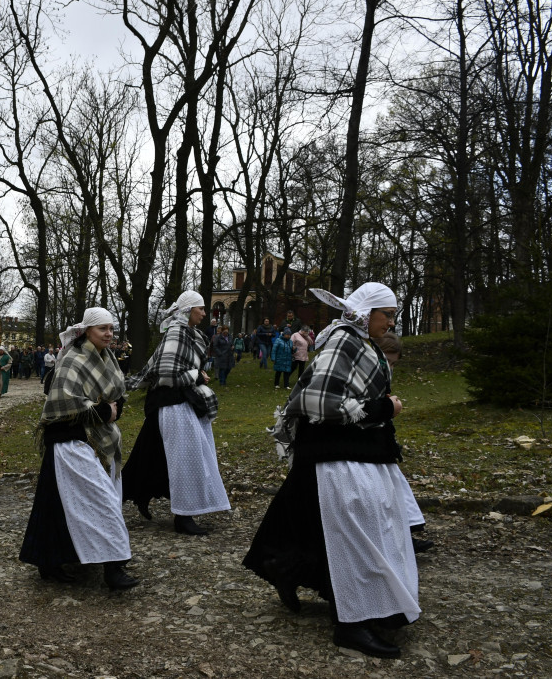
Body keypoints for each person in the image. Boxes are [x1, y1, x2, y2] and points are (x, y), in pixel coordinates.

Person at [243, 282, 419, 659]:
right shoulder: (345, 340)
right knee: (359, 538)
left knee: (326, 530)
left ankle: (289, 572)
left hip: (350, 452)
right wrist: (385, 409)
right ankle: (352, 623)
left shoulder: (359, 341)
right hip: (339, 456)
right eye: (386, 314)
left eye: (393, 315)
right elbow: (317, 399)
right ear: (367, 312)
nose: (391, 321)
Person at [20, 308, 138, 590]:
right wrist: (101, 410)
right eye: (102, 329)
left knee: (62, 505)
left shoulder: (107, 357)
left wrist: (113, 409)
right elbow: (63, 403)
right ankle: (113, 567)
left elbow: (116, 396)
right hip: (70, 441)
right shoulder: (73, 359)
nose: (109, 334)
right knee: (101, 501)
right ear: (87, 331)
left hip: (99, 439)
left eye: (111, 328)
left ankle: (54, 559)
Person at [122, 290, 232, 536]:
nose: (204, 313)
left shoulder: (190, 333)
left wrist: (195, 374)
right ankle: (183, 517)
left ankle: (138, 496)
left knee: (150, 455)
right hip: (172, 403)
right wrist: (197, 375)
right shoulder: (177, 332)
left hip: (179, 401)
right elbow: (168, 373)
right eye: (200, 308)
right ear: (188, 310)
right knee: (185, 459)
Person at [374, 331, 433, 555]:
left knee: (395, 490)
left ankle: (405, 536)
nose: (389, 368)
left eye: (393, 364)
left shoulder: (382, 375)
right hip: (368, 446)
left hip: (381, 445)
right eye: (387, 361)